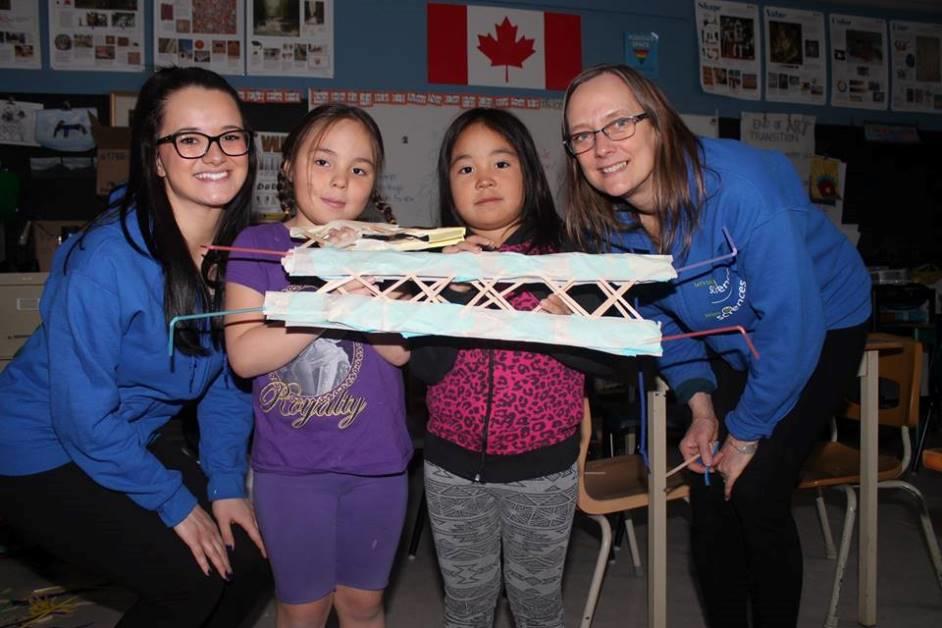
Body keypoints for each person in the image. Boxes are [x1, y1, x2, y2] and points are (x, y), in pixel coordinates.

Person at [562, 63, 871, 628]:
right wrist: (700, 405)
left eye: (618, 124)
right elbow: (659, 314)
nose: (602, 147)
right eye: (583, 135)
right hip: (734, 339)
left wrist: (748, 434)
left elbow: (791, 328)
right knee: (707, 487)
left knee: (755, 489)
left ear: (657, 122)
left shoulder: (743, 192)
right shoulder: (608, 225)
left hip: (822, 325)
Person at [0, 66, 269, 627]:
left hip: (129, 433)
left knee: (249, 561)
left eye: (230, 136)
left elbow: (227, 381)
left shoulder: (237, 255)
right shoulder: (103, 261)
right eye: (189, 140)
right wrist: (173, 503)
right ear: (155, 157)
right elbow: (81, 419)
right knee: (187, 577)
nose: (215, 154)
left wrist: (224, 485)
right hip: (38, 447)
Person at [410, 107, 614, 628]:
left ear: (529, 171)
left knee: (538, 607)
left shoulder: (567, 258)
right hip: (452, 469)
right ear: (448, 185)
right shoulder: (435, 265)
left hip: (544, 470)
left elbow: (605, 363)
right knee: (466, 608)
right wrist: (452, 291)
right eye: (465, 168)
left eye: (501, 163)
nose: (483, 179)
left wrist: (565, 322)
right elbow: (428, 370)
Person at [224, 103, 411, 628]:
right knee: (302, 609)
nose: (340, 181)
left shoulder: (384, 250)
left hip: (377, 465)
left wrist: (370, 295)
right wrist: (328, 303)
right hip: (291, 469)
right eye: (323, 161)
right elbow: (244, 355)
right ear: (288, 166)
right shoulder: (258, 245)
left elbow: (399, 352)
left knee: (363, 606)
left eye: (359, 168)